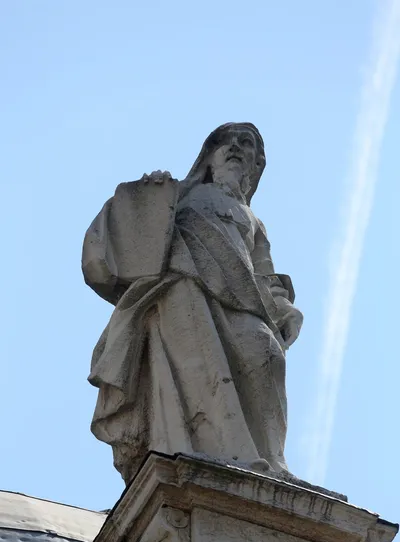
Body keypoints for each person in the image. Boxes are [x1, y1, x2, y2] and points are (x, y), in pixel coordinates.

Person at [82, 122, 303, 484]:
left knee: (267, 355)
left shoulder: (253, 221)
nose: (234, 148)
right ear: (209, 157)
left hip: (243, 298)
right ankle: (227, 454)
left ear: (254, 167)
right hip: (184, 287)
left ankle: (273, 461)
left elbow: (265, 274)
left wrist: (285, 308)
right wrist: (147, 196)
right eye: (225, 143)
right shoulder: (182, 193)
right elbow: (128, 230)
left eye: (245, 145)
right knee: (202, 366)